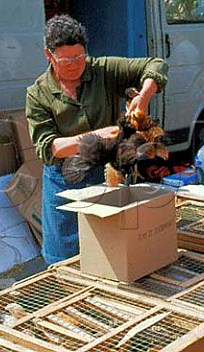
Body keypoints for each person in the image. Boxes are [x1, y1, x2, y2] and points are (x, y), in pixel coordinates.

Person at [26, 15, 168, 265]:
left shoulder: (103, 70)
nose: (75, 64)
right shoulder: (38, 94)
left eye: (79, 56)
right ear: (49, 56)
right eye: (66, 59)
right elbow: (50, 147)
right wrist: (96, 136)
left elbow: (155, 64)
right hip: (64, 180)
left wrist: (144, 95)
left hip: (106, 174)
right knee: (64, 256)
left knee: (110, 249)